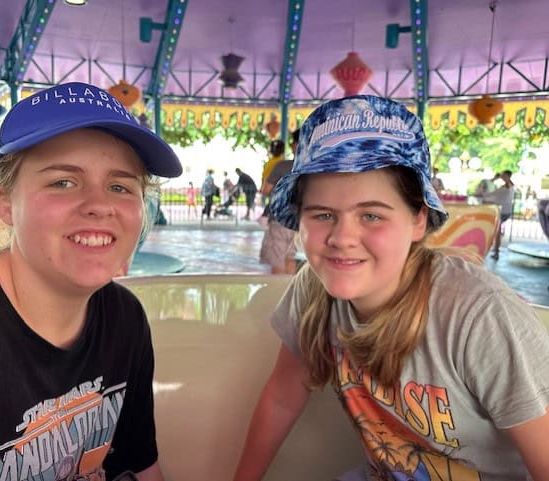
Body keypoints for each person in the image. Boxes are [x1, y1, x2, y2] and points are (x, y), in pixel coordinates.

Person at [233, 96, 549, 481]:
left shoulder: (478, 316)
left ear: (418, 220)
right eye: (323, 214)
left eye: (371, 215)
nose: (342, 238)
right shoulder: (314, 291)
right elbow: (282, 399)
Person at [0, 81, 182, 481]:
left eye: (120, 186)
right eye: (63, 182)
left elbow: (140, 465)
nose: (100, 205)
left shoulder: (124, 319)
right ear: (6, 204)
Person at [259, 129, 299, 274]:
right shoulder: (315, 169)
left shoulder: (281, 166)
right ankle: (291, 288)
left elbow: (266, 190)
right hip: (301, 222)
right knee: (290, 257)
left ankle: (279, 289)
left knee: (278, 260)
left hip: (280, 220)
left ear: (295, 145)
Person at [482, 169, 515, 260]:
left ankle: (496, 251)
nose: (502, 177)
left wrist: (494, 179)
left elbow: (494, 195)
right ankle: (496, 250)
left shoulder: (507, 187)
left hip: (502, 211)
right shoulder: (509, 186)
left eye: (503, 175)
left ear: (507, 176)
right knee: (497, 232)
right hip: (505, 211)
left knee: (497, 233)